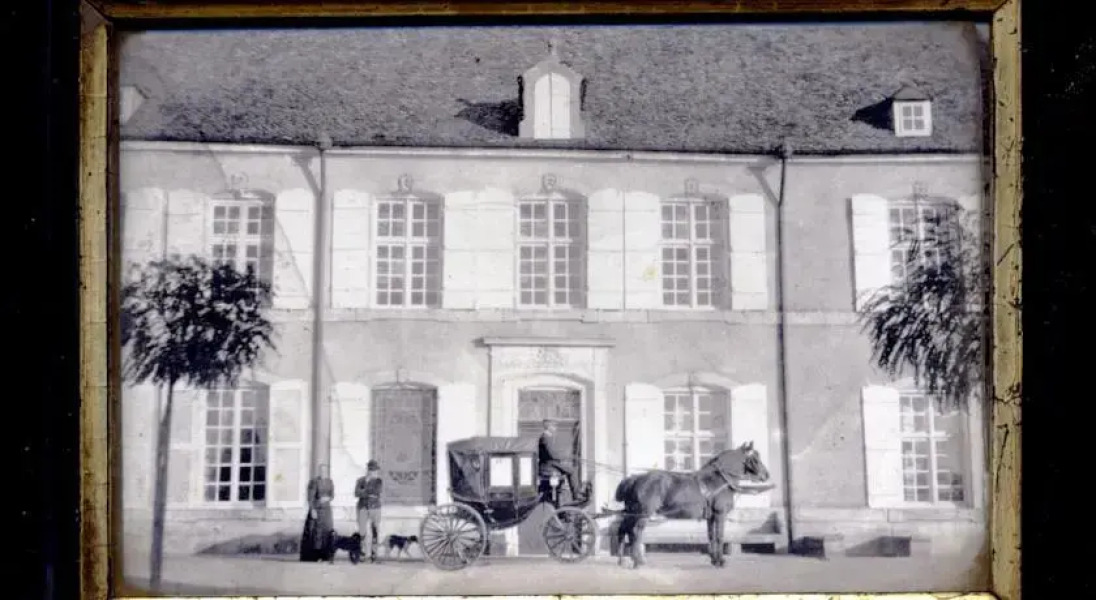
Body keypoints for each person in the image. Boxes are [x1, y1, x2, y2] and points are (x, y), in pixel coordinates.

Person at [537, 419, 584, 503]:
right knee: (572, 471)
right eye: (554, 426)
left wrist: (566, 456)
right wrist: (564, 457)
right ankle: (576, 495)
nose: (556, 428)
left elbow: (552, 453)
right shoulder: (546, 438)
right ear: (548, 427)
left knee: (571, 469)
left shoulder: (547, 437)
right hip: (549, 465)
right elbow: (552, 454)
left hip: (550, 463)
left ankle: (576, 494)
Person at [300, 464, 335, 562]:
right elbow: (310, 497)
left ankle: (325, 555)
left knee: (327, 532)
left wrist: (328, 498)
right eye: (322, 471)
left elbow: (332, 495)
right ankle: (315, 556)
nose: (323, 472)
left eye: (325, 471)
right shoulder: (314, 482)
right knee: (316, 533)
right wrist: (312, 509)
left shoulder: (330, 482)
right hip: (317, 509)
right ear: (319, 472)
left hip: (327, 511)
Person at [354, 459, 384, 563]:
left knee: (375, 531)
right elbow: (356, 493)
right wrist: (367, 491)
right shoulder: (360, 480)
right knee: (362, 531)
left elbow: (377, 491)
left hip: (375, 508)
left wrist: (364, 491)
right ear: (368, 470)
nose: (374, 472)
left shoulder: (378, 481)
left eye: (375, 470)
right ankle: (362, 554)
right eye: (372, 470)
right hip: (362, 507)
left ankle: (374, 555)